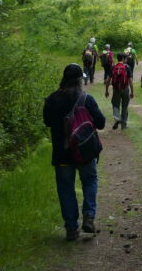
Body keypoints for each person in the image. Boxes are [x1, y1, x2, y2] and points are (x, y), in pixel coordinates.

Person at [42, 63, 106, 241]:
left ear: (64, 79)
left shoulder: (52, 99)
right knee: (90, 180)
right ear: (80, 80)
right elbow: (101, 123)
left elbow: (47, 122)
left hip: (62, 153)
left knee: (65, 188)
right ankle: (88, 216)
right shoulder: (87, 99)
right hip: (84, 152)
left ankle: (71, 227)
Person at [105, 52, 133, 129]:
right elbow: (130, 81)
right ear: (123, 59)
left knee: (115, 105)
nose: (126, 60)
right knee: (124, 106)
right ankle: (124, 125)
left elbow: (108, 80)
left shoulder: (113, 67)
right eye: (126, 58)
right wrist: (132, 91)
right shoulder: (127, 67)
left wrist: (107, 90)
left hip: (116, 89)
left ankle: (117, 119)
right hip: (125, 89)